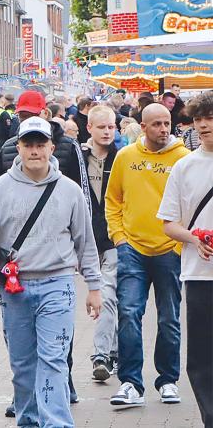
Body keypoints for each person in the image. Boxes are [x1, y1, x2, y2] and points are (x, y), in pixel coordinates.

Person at [0, 117, 102, 428]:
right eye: (28, 144)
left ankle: (56, 423)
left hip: (59, 284)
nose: (35, 151)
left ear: (52, 147)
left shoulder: (69, 191)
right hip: (15, 289)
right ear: (18, 148)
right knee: (23, 364)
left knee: (53, 360)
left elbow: (85, 241)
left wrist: (94, 286)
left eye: (41, 144)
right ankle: (28, 420)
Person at [105, 103, 190, 407]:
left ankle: (168, 381)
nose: (163, 129)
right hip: (133, 250)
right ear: (143, 127)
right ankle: (131, 383)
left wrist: (181, 244)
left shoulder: (183, 158)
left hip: (170, 250)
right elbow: (112, 198)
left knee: (169, 319)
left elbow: (191, 205)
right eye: (156, 124)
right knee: (129, 314)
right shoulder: (126, 157)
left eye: (167, 123)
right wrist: (119, 238)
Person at [158, 91, 213, 426]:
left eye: (210, 118)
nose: (204, 125)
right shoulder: (184, 166)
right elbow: (168, 222)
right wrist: (194, 238)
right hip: (198, 276)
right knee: (202, 358)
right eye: (198, 119)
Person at [82, 105, 121, 381]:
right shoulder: (77, 158)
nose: (107, 131)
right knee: (108, 297)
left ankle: (101, 355)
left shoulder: (122, 159)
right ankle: (115, 351)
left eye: (111, 127)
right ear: (90, 129)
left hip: (114, 238)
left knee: (107, 295)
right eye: (102, 127)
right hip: (85, 239)